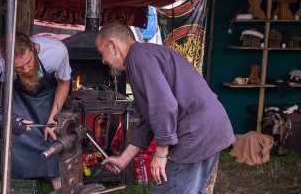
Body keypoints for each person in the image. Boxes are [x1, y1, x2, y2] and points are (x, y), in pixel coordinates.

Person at [96, 23, 235, 194]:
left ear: (113, 45)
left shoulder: (139, 57)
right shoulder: (142, 57)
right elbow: (148, 119)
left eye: (102, 53)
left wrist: (161, 153)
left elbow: (164, 105)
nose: (103, 60)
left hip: (196, 131)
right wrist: (124, 159)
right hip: (211, 128)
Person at [0, 31, 71, 190]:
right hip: (15, 99)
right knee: (14, 148)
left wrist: (53, 119)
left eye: (29, 62)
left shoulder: (56, 51)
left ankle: (61, 189)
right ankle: (15, 187)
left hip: (47, 100)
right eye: (19, 67)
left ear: (33, 48)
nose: (27, 69)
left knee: (54, 148)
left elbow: (64, 83)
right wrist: (4, 121)